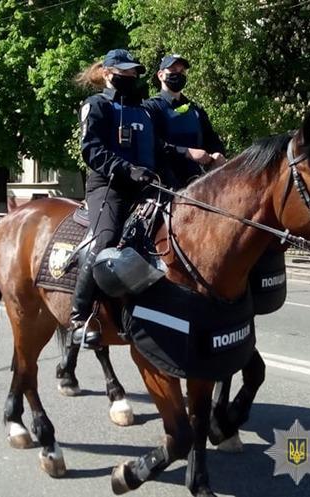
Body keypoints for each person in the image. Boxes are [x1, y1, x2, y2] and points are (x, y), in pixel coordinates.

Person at [71, 49, 207, 347]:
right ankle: (80, 317)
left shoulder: (143, 111)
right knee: (104, 240)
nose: (131, 77)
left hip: (147, 185)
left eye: (133, 72)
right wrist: (127, 170)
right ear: (107, 73)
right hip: (109, 188)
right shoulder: (95, 106)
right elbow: (91, 149)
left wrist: (186, 158)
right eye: (125, 72)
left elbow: (159, 148)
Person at [144, 54, 227, 188]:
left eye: (182, 71)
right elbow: (152, 144)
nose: (178, 74)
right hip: (166, 183)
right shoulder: (151, 107)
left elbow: (212, 139)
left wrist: (218, 154)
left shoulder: (196, 109)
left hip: (201, 181)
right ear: (160, 75)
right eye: (173, 70)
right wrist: (187, 152)